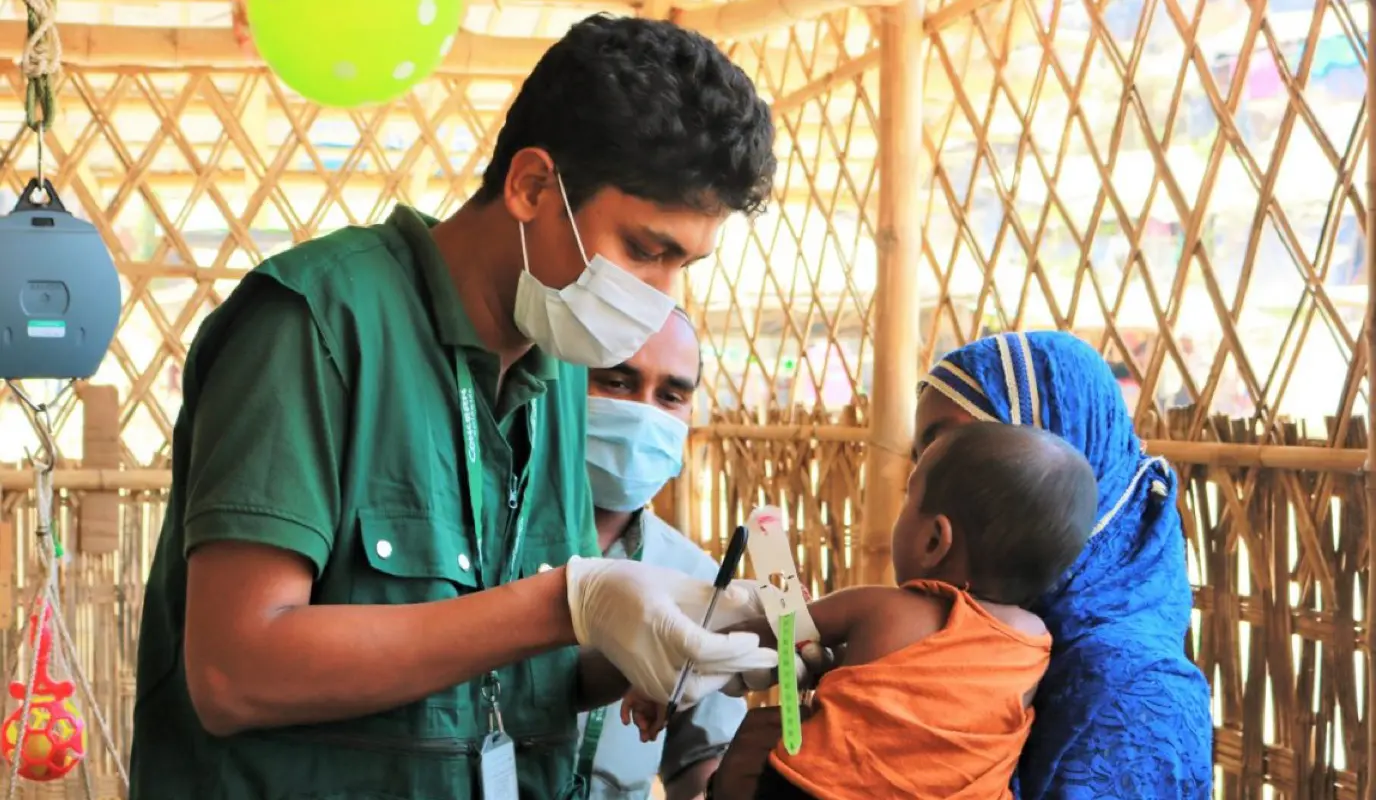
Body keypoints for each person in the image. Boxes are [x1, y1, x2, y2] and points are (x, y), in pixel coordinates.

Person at [129, 15, 780, 800]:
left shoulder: (557, 374)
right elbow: (235, 671)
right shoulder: (317, 326)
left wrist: (661, 641)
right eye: (645, 250)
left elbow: (510, 677)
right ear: (532, 188)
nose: (662, 299)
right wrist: (566, 601)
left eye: (687, 264)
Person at [628, 422, 1099, 799]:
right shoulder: (1035, 645)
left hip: (814, 790)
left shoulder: (881, 608)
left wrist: (667, 678)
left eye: (907, 499)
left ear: (935, 540)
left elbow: (759, 635)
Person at [911, 331, 1213, 798]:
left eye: (956, 452)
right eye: (922, 466)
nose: (925, 497)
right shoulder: (971, 637)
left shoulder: (1133, 696)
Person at [571, 307, 747, 799]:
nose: (644, 413)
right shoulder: (486, 547)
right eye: (617, 384)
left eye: (670, 397)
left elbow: (701, 763)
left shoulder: (697, 579)